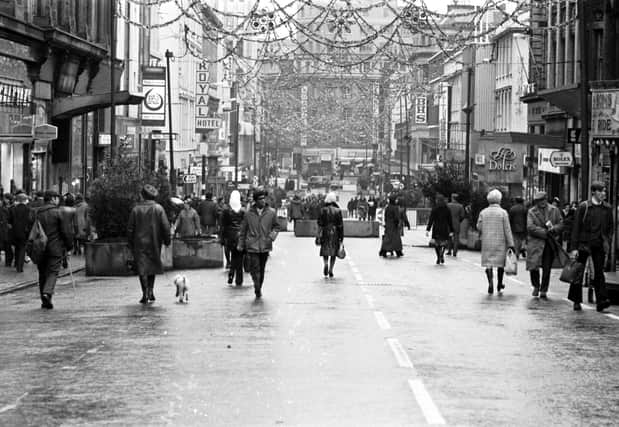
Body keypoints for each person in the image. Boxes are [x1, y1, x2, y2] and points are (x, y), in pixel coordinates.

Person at [568, 181, 614, 312]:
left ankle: (602, 300)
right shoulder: (584, 207)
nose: (603, 194)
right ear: (593, 192)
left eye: (604, 191)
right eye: (600, 191)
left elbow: (611, 227)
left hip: (599, 244)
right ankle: (576, 300)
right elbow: (576, 227)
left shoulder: (607, 208)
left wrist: (607, 239)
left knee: (599, 272)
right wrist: (574, 248)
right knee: (578, 272)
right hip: (584, 244)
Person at [127, 185, 171, 304]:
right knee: (152, 266)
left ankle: (145, 292)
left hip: (139, 243)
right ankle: (151, 291)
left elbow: (130, 229)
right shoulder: (158, 208)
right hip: (154, 242)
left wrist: (130, 243)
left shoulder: (136, 209)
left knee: (142, 268)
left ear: (142, 195)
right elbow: (166, 226)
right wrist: (167, 240)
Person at [237, 190, 280, 299]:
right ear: (256, 201)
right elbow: (243, 230)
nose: (263, 201)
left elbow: (276, 227)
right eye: (260, 199)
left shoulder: (271, 212)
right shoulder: (248, 214)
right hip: (252, 246)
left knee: (261, 268)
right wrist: (241, 244)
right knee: (254, 268)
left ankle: (259, 286)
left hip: (265, 245)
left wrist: (271, 237)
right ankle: (257, 287)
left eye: (264, 198)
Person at [34, 190, 73, 309]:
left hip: (40, 247)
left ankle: (45, 300)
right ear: (53, 199)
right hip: (55, 247)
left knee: (42, 273)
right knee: (53, 272)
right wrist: (69, 246)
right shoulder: (58, 213)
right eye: (57, 198)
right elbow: (66, 232)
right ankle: (47, 293)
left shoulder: (36, 213)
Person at [526, 191, 564, 299]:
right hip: (536, 243)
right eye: (539, 201)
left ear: (546, 199)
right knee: (533, 266)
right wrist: (544, 232)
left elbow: (561, 224)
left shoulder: (554, 210)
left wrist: (554, 229)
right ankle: (536, 286)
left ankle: (544, 289)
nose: (541, 203)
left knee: (547, 268)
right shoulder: (531, 212)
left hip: (549, 243)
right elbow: (530, 227)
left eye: (543, 200)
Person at [477, 189, 515, 294]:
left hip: (487, 242)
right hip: (500, 242)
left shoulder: (483, 212)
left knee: (489, 264)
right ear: (499, 200)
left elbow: (479, 227)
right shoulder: (503, 213)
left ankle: (490, 283)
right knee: (500, 265)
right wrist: (511, 244)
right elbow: (507, 229)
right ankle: (499, 283)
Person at [220, 190, 245, 286]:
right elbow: (246, 225)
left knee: (233, 255)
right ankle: (239, 278)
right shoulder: (243, 211)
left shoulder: (226, 211)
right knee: (239, 257)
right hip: (240, 237)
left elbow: (223, 225)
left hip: (230, 237)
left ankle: (231, 273)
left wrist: (222, 238)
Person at [317, 192, 344, 278]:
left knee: (325, 250)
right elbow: (340, 225)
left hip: (325, 231)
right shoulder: (338, 210)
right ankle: (331, 269)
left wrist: (318, 234)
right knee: (334, 252)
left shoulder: (323, 210)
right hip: (335, 232)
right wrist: (341, 237)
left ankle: (325, 264)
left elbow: (320, 223)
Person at [426, 193, 454, 264]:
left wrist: (428, 229)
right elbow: (450, 220)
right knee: (444, 243)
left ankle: (438, 256)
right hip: (444, 228)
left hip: (436, 228)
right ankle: (442, 254)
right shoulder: (447, 209)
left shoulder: (434, 209)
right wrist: (451, 230)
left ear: (437, 200)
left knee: (436, 244)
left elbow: (431, 220)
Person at [8, 192, 32, 273]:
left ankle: (16, 263)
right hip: (24, 232)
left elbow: (9, 221)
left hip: (15, 231)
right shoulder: (28, 209)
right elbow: (30, 221)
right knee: (22, 248)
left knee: (17, 247)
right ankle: (19, 267)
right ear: (25, 200)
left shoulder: (13, 209)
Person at [0, 193, 14, 267]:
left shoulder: (12, 207)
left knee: (8, 245)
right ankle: (8, 261)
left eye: (6, 198)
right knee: (5, 244)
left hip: (9, 229)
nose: (4, 200)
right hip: (3, 228)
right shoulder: (2, 207)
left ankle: (8, 261)